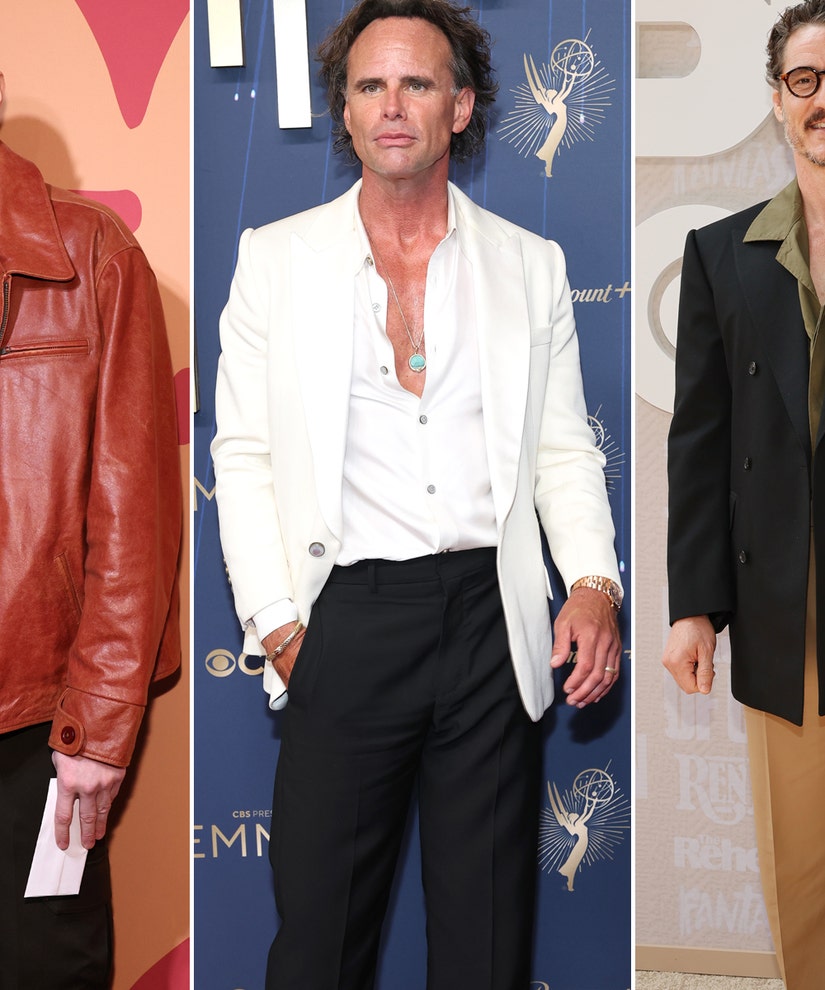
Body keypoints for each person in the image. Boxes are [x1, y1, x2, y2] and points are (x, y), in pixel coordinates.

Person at [212, 1, 622, 986]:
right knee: (318, 950)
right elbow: (244, 454)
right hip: (345, 621)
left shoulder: (531, 266)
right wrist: (280, 627)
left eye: (416, 83)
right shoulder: (275, 258)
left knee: (486, 950)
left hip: (491, 625)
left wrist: (592, 583)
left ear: (462, 107)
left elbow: (563, 450)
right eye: (370, 85)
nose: (392, 105)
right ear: (346, 112)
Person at [0, 73, 182, 989]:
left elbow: (134, 515)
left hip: (35, 722)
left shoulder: (89, 253)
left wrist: (98, 730)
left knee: (43, 970)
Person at [661, 2, 825, 986]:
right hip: (787, 612)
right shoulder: (722, 254)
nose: (822, 99)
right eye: (806, 80)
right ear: (776, 101)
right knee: (803, 866)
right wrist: (693, 605)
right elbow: (700, 442)